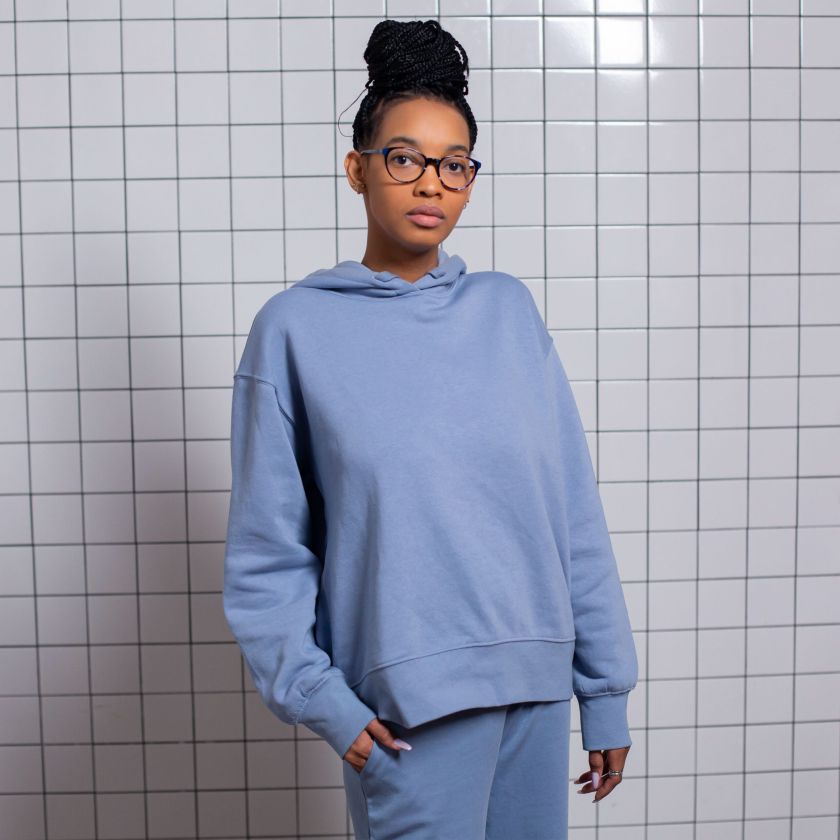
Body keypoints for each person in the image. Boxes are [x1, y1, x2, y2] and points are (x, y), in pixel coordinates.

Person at [223, 17, 638, 840]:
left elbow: (571, 515)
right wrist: (323, 700)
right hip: (407, 718)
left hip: (535, 694)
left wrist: (604, 690)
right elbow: (267, 552)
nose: (432, 184)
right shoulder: (295, 331)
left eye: (455, 164)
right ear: (358, 169)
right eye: (405, 158)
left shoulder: (508, 312)